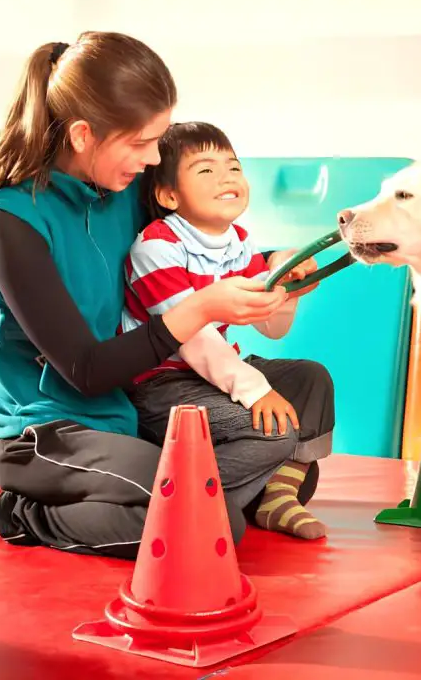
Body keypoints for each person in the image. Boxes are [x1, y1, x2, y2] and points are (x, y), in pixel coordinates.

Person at [0, 32, 321, 558]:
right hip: (48, 434)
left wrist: (280, 264)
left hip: (131, 416)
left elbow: (200, 236)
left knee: (299, 409)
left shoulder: (119, 189)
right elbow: (86, 371)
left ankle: (214, 495)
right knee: (210, 526)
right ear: (81, 134)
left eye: (159, 140)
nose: (154, 158)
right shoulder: (7, 223)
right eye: (142, 142)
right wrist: (201, 309)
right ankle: (24, 513)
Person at [122, 121, 335, 540]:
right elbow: (192, 340)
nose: (226, 177)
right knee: (272, 430)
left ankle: (277, 496)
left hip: (213, 372)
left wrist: (287, 284)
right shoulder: (156, 247)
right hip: (162, 383)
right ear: (169, 195)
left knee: (311, 379)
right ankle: (183, 505)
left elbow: (271, 327)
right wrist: (256, 391)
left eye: (233, 167)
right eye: (205, 170)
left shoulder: (237, 242)